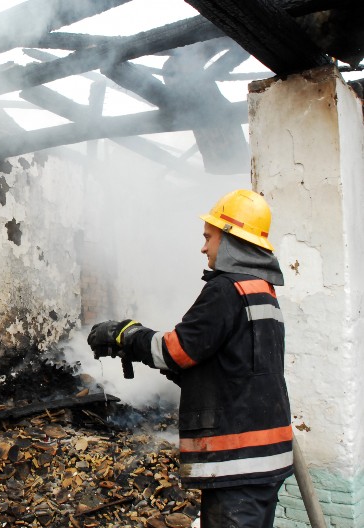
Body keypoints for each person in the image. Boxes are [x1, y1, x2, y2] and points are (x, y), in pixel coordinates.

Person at [87, 189, 293, 528]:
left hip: (237, 461)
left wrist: (127, 334)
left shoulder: (226, 289)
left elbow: (174, 350)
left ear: (230, 239)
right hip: (265, 457)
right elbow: (232, 368)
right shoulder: (263, 291)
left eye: (208, 237)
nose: (203, 247)